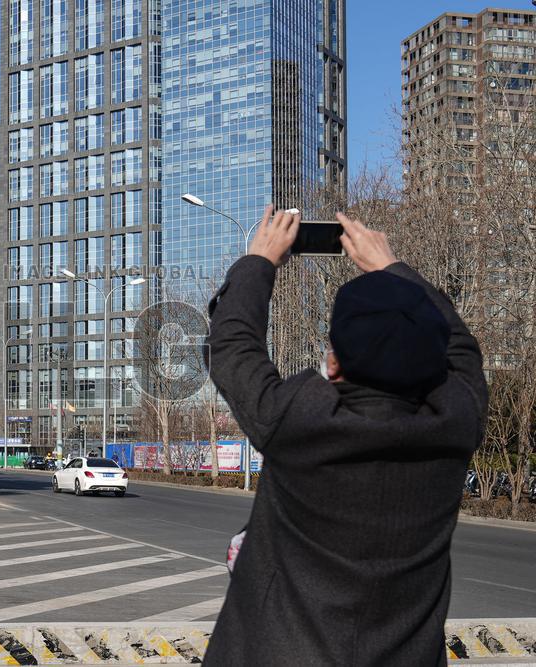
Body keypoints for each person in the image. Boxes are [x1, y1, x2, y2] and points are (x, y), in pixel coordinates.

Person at [201, 207, 488, 666]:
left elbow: (232, 344)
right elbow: (463, 351)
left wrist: (260, 260)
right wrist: (394, 269)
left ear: (333, 363)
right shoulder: (456, 421)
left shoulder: (301, 418)